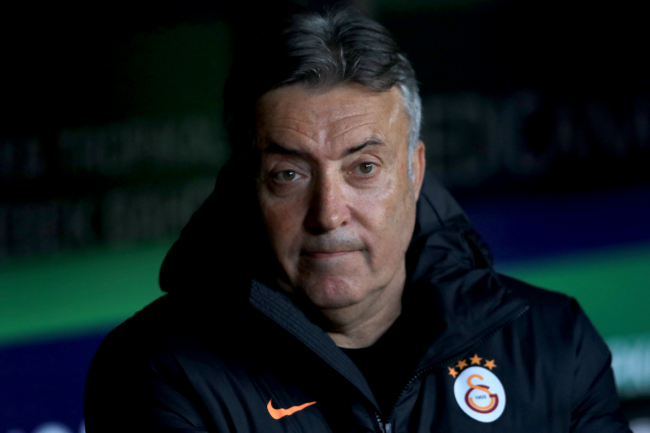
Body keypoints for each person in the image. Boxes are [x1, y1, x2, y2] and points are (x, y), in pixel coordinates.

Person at [84, 8, 631, 432]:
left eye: (364, 167)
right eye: (289, 174)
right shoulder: (157, 370)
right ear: (245, 186)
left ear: (415, 172)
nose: (328, 214)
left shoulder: (552, 341)